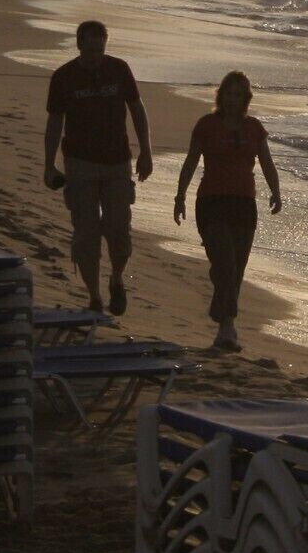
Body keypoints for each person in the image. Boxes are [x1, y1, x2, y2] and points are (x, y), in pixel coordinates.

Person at [42, 20, 152, 315]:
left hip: (117, 162)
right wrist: (49, 164)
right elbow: (55, 122)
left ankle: (116, 279)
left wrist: (146, 151)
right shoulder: (63, 77)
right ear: (79, 45)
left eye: (100, 49)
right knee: (85, 234)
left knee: (119, 230)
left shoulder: (119, 69)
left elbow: (137, 109)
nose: (95, 56)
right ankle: (94, 296)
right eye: (90, 49)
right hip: (80, 165)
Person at [173, 70, 281, 351]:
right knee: (225, 264)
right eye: (229, 94)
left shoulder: (254, 128)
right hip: (212, 202)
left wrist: (276, 192)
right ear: (221, 96)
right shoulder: (206, 125)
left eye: (239, 96)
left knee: (236, 271)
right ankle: (229, 326)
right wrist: (180, 195)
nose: (233, 100)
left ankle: (223, 320)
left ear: (246, 99)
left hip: (244, 204)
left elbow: (267, 163)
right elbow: (191, 161)